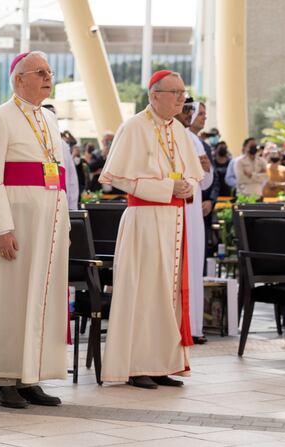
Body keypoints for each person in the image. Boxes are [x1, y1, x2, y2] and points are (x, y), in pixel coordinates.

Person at [0, 51, 67, 408]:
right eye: (41, 72)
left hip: (47, 225)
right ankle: (3, 378)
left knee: (38, 298)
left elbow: (54, 174)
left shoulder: (49, 119)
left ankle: (29, 375)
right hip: (15, 225)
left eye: (50, 71)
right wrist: (0, 227)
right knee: (9, 298)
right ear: (19, 79)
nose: (48, 77)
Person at [99, 70, 203, 389]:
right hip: (144, 220)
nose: (181, 99)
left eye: (184, 93)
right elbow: (117, 177)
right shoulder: (133, 127)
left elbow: (193, 176)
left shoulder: (181, 132)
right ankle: (135, 365)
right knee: (143, 293)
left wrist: (188, 188)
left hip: (173, 222)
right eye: (175, 93)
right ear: (154, 95)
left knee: (166, 295)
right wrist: (166, 189)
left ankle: (161, 364)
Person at [175, 100, 214, 345]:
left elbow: (205, 182)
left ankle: (194, 327)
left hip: (194, 212)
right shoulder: (169, 135)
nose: (191, 115)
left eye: (193, 111)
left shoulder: (195, 140)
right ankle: (182, 327)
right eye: (188, 109)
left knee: (194, 266)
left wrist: (207, 170)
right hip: (177, 208)